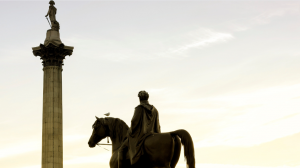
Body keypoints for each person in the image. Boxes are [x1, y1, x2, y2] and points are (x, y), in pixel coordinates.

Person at [118, 91, 161, 168]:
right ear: (147, 98)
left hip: (141, 136)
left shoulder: (139, 108)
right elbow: (158, 125)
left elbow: (134, 122)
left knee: (121, 150)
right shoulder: (155, 110)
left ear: (139, 98)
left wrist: (129, 132)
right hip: (153, 134)